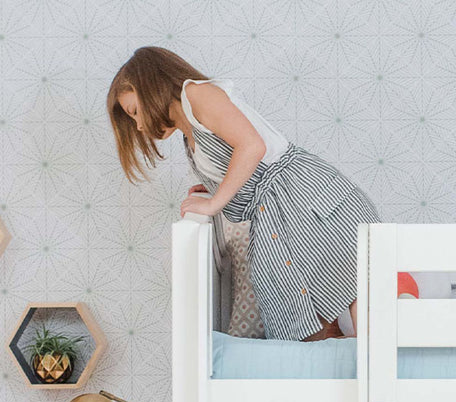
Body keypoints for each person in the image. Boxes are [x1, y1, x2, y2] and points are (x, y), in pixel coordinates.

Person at [107, 46, 380, 342]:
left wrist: (216, 201)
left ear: (148, 86)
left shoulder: (197, 95)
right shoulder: (188, 129)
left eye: (135, 112)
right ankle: (333, 366)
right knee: (288, 301)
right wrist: (215, 187)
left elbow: (252, 146)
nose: (139, 125)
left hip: (304, 199)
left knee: (353, 286)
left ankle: (377, 363)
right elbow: (239, 160)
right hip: (278, 209)